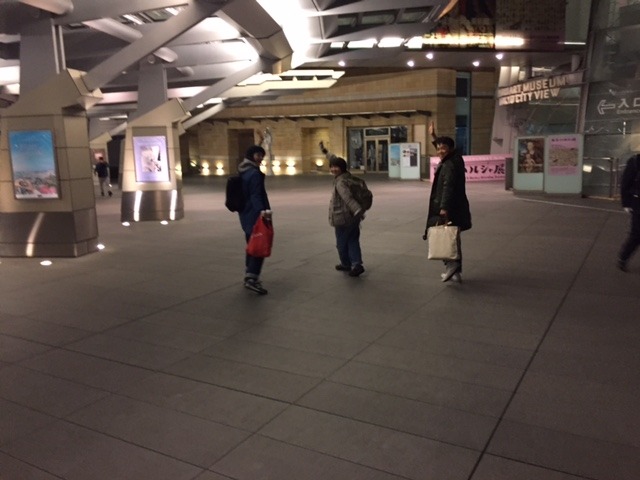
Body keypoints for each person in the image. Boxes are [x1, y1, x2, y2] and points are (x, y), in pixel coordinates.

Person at [425, 122, 472, 282]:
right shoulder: (455, 158)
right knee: (452, 236)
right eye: (438, 148)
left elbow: (448, 186)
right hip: (457, 206)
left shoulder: (449, 165)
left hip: (449, 207)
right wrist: (434, 136)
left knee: (446, 237)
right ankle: (455, 271)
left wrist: (444, 207)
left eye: (443, 148)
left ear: (450, 149)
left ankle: (451, 265)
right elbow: (442, 148)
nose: (439, 151)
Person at [238, 145, 272, 294]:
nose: (260, 158)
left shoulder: (242, 170)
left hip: (245, 213)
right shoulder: (254, 173)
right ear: (251, 155)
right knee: (259, 244)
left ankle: (249, 273)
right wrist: (262, 212)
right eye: (258, 155)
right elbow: (256, 194)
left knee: (252, 244)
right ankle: (252, 278)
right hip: (254, 214)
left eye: (262, 155)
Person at [328, 156, 365, 277]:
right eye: (332, 167)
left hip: (343, 217)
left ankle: (346, 264)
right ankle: (357, 264)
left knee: (341, 243)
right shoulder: (349, 178)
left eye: (336, 167)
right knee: (353, 240)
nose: (333, 169)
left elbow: (347, 198)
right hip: (353, 217)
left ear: (342, 168)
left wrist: (357, 210)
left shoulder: (340, 182)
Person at [618, 153, 640, 272]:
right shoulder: (635, 161)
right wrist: (626, 203)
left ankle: (623, 257)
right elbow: (626, 182)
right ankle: (624, 257)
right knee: (637, 234)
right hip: (638, 203)